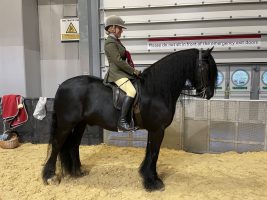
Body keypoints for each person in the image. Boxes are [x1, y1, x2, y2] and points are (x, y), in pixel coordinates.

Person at [103, 15, 141, 132]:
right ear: (112, 28)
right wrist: (133, 71)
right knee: (131, 91)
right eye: (120, 28)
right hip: (117, 74)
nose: (122, 31)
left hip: (122, 72)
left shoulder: (116, 41)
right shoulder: (110, 42)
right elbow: (118, 61)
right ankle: (122, 122)